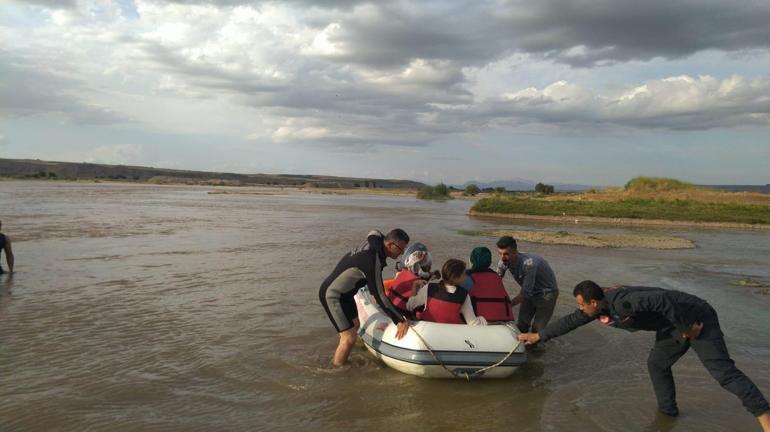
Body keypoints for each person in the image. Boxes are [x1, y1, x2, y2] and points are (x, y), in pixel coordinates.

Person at [518, 280, 770, 430]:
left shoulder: (623, 302)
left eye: (582, 304)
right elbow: (572, 320)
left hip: (697, 318)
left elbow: (662, 299)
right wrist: (540, 336)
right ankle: (668, 415)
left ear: (594, 302)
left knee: (723, 373)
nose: (579, 308)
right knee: (657, 364)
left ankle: (764, 416)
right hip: (671, 326)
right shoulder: (597, 308)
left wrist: (687, 329)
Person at [319, 229, 410, 367]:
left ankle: (345, 352)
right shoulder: (372, 260)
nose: (402, 253)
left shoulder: (376, 242)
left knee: (355, 325)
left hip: (346, 294)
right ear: (390, 245)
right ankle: (337, 372)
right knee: (349, 338)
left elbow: (373, 232)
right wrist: (399, 320)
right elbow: (379, 295)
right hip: (333, 295)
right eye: (401, 249)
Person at [496, 236, 558, 333]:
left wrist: (507, 305)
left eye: (506, 254)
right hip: (530, 292)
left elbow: (524, 294)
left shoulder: (529, 264)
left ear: (515, 252)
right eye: (500, 254)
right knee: (522, 325)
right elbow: (495, 282)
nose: (502, 258)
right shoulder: (502, 262)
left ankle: (536, 347)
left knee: (537, 330)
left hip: (547, 294)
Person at [407, 259, 487, 326]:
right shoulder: (464, 295)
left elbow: (409, 306)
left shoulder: (429, 287)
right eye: (464, 274)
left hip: (429, 329)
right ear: (457, 278)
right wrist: (483, 320)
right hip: (450, 335)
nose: (465, 276)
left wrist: (415, 285)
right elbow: (473, 323)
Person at [387, 242, 435, 315]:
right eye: (425, 267)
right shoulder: (419, 284)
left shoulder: (401, 273)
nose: (428, 269)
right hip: (404, 314)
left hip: (390, 309)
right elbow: (414, 305)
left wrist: (431, 276)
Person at [467, 246, 513, 322]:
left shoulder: (467, 277)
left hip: (479, 320)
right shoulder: (496, 277)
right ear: (489, 262)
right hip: (503, 319)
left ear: (471, 260)